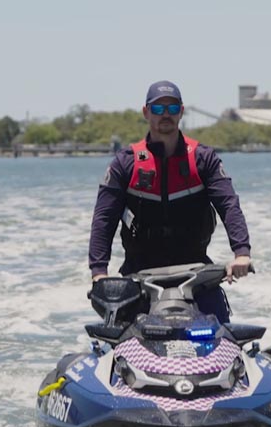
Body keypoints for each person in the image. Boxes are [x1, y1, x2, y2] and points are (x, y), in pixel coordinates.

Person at [88, 80, 251, 323]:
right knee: (119, 343)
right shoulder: (125, 162)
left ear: (181, 112)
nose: (166, 115)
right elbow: (104, 219)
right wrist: (99, 272)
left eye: (173, 109)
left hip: (197, 274)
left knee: (222, 337)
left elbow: (229, 205)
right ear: (146, 112)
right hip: (138, 277)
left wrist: (242, 253)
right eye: (158, 109)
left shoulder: (203, 159)